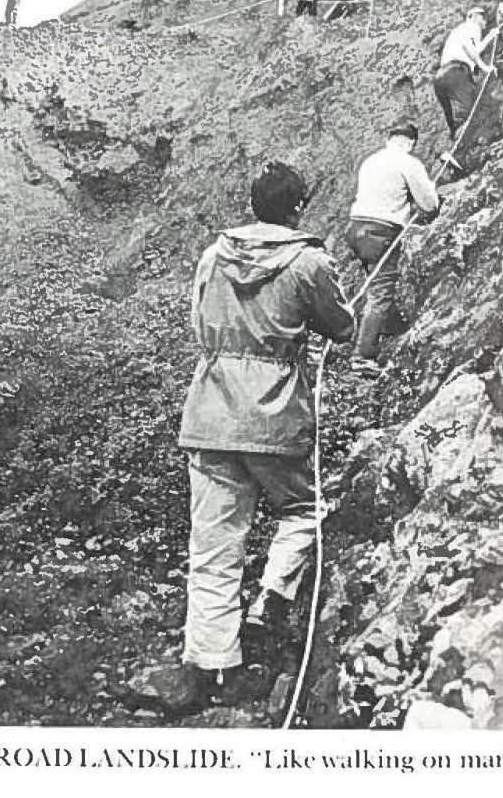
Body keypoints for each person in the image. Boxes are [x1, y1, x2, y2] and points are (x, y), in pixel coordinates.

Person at [130, 161, 354, 714]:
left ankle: (212, 664)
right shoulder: (309, 260)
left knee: (212, 545)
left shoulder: (212, 256)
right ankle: (271, 600)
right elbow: (342, 326)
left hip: (209, 411)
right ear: (298, 208)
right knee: (305, 511)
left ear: (254, 205)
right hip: (274, 415)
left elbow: (198, 324)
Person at [346, 123, 439, 377]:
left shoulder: (371, 161)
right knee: (380, 291)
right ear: (410, 142)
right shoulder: (408, 162)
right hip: (380, 232)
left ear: (389, 138)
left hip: (356, 229)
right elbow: (429, 204)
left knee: (376, 283)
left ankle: (389, 330)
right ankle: (362, 357)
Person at [432, 7, 499, 141]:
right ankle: (482, 141)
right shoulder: (472, 27)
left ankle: (455, 136)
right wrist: (485, 67)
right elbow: (471, 49)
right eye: (482, 16)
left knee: (453, 116)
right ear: (472, 16)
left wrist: (490, 36)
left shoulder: (458, 30)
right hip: (455, 72)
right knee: (478, 107)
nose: (484, 20)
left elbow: (472, 50)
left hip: (440, 76)